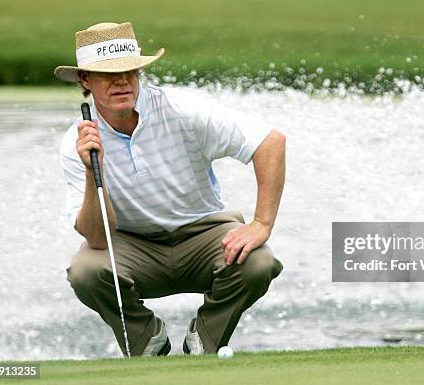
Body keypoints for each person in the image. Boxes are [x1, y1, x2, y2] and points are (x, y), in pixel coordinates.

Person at [54, 22, 285, 356]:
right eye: (108, 74)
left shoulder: (181, 109)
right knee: (86, 272)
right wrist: (94, 172)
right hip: (132, 243)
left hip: (202, 233)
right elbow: (98, 239)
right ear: (85, 80)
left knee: (259, 262)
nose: (122, 81)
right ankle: (146, 340)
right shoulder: (74, 143)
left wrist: (261, 223)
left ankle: (206, 340)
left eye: (130, 71)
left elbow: (270, 142)